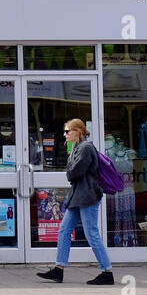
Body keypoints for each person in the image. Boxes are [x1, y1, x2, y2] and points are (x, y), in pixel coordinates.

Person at [38, 118, 115, 285]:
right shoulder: (76, 148)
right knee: (64, 231)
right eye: (65, 131)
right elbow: (72, 172)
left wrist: (70, 170)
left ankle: (107, 272)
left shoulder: (86, 148)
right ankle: (59, 270)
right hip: (77, 196)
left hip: (87, 197)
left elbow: (74, 173)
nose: (65, 134)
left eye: (68, 131)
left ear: (78, 131)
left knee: (91, 234)